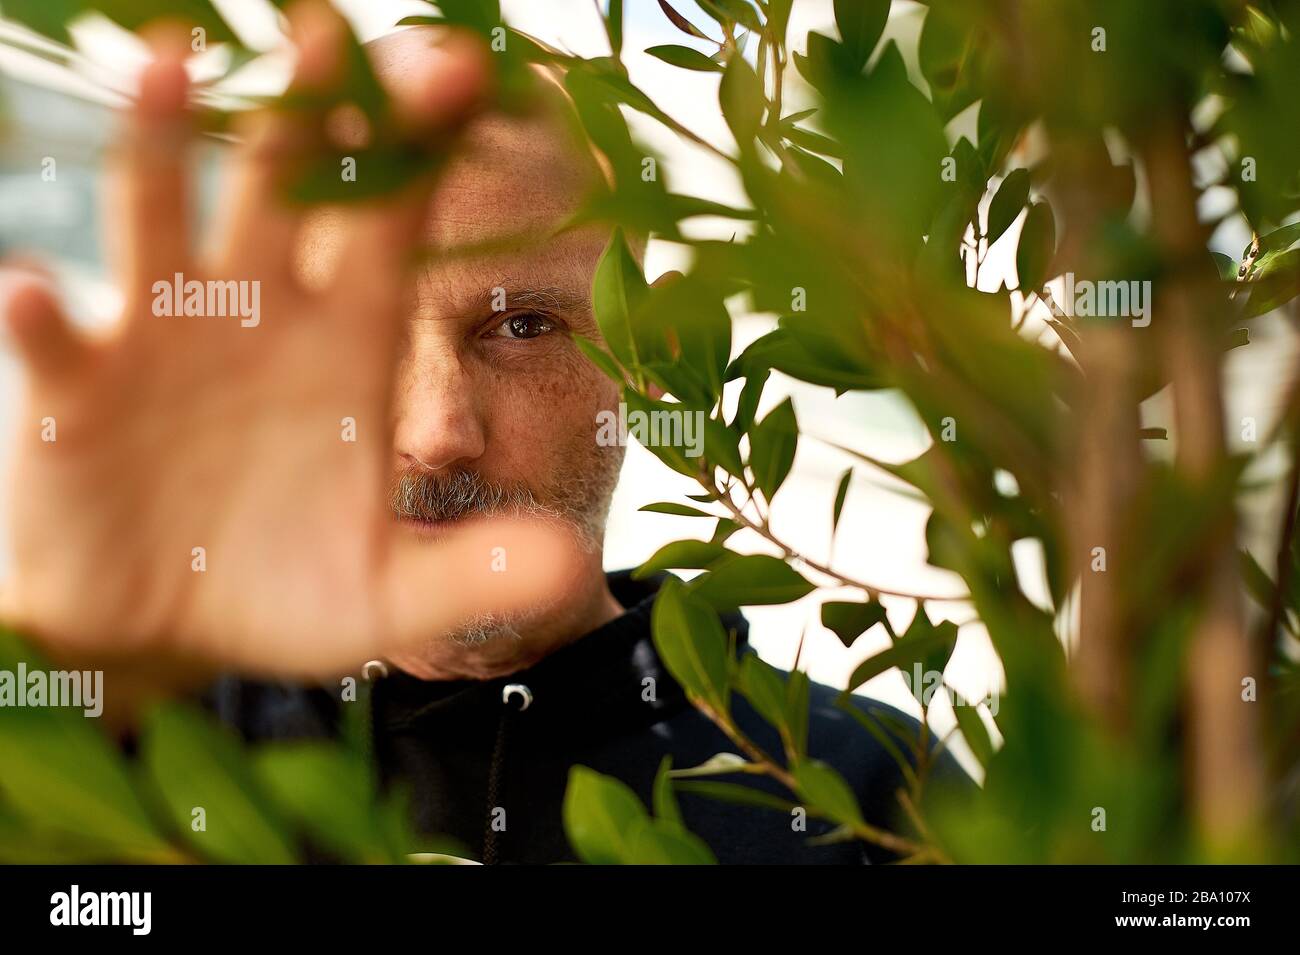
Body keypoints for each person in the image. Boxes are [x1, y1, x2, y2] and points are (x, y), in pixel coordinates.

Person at [0, 1, 965, 864]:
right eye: (363, 335)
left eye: (523, 327)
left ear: (653, 350)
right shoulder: (138, 729)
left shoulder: (877, 793)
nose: (436, 433)